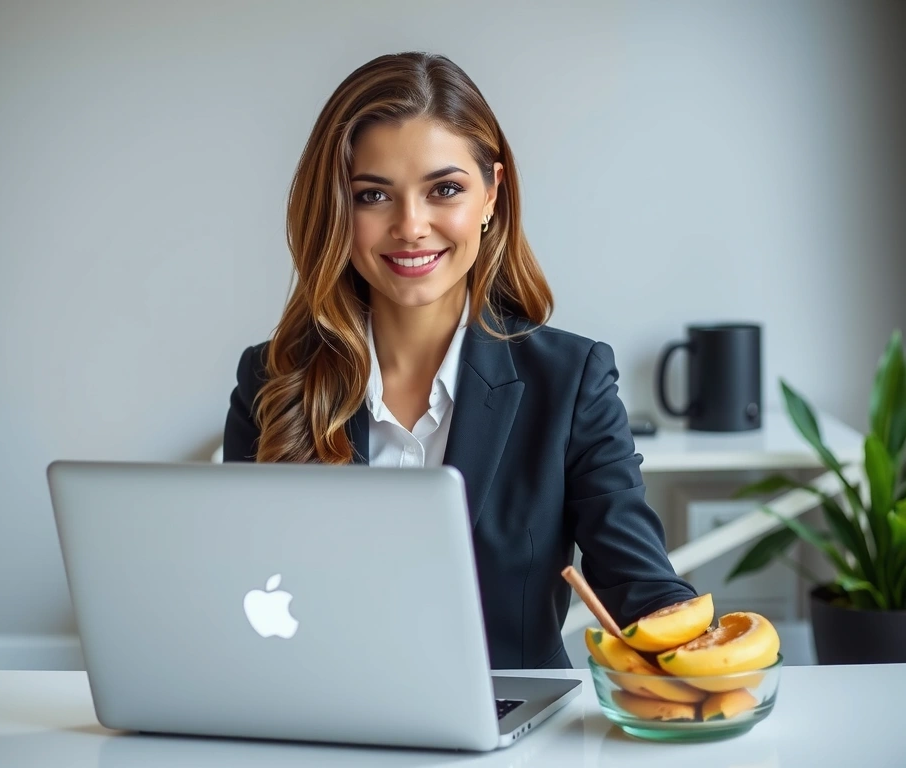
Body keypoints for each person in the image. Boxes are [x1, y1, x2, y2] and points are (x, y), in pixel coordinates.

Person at [224, 52, 696, 669]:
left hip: (511, 739)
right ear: (339, 210)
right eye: (373, 196)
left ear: (492, 195)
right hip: (321, 723)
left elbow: (641, 587)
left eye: (444, 189)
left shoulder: (571, 379)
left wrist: (702, 648)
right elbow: (233, 596)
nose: (411, 226)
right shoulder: (270, 378)